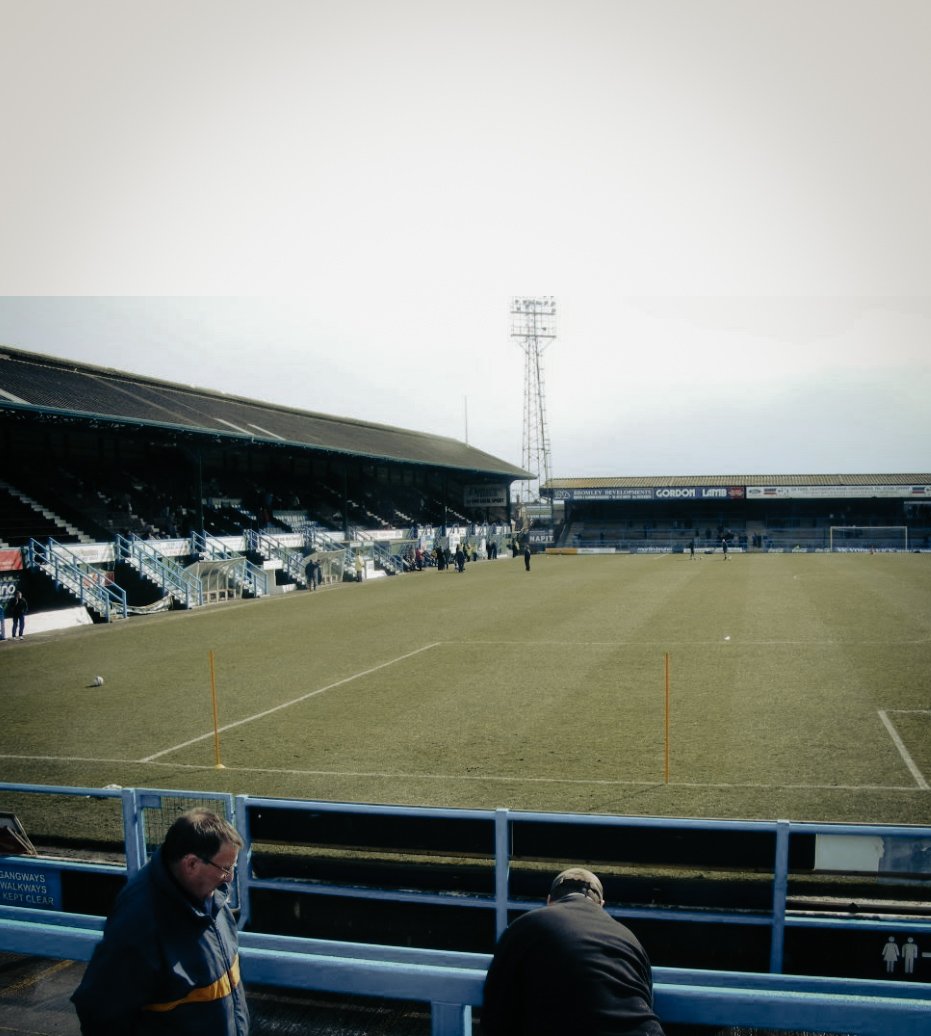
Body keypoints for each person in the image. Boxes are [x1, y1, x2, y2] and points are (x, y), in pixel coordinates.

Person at [72, 808, 249, 1035]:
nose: (230, 878)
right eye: (225, 868)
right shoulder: (139, 924)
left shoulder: (212, 894)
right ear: (191, 864)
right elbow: (100, 1012)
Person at [481, 867, 665, 1036]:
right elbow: (646, 999)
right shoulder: (629, 938)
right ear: (600, 904)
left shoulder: (526, 924)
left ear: (549, 901)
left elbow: (497, 1006)